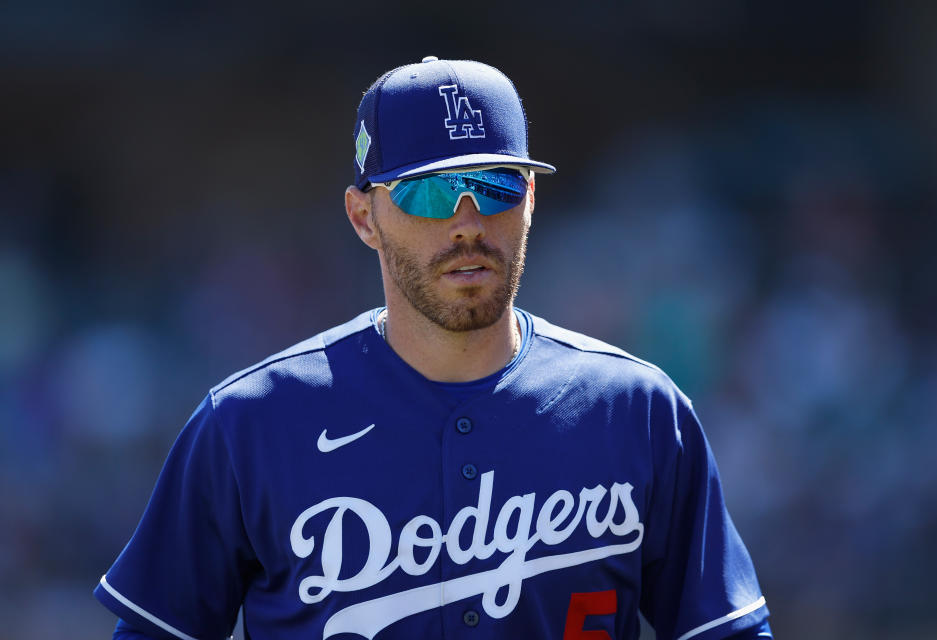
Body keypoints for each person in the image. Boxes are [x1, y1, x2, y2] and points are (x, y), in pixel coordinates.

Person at [95, 56, 773, 640]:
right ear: (365, 217)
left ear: (531, 198)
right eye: (428, 190)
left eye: (496, 185)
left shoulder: (638, 411)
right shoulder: (249, 423)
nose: (468, 222)